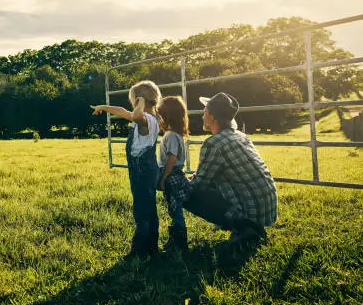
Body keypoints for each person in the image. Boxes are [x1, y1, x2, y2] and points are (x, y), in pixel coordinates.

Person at [184, 92, 278, 246]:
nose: (202, 116)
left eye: (205, 112)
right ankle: (250, 227)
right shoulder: (240, 136)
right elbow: (209, 175)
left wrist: (176, 183)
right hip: (266, 208)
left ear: (213, 117)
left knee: (184, 193)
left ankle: (244, 227)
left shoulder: (214, 143)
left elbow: (199, 185)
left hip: (251, 213)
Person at [90, 80, 161, 258]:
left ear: (139, 101)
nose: (132, 105)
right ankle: (152, 247)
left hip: (142, 171)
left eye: (134, 101)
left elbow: (136, 116)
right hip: (145, 169)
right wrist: (103, 106)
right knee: (149, 209)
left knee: (141, 212)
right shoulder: (145, 118)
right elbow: (123, 112)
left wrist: (140, 102)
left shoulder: (147, 120)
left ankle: (139, 252)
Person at [156, 96, 190, 252]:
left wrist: (163, 178)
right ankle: (177, 240)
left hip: (172, 176)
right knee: (175, 208)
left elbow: (171, 158)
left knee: (175, 210)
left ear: (165, 116)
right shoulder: (177, 134)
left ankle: (178, 242)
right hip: (176, 175)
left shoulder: (170, 136)